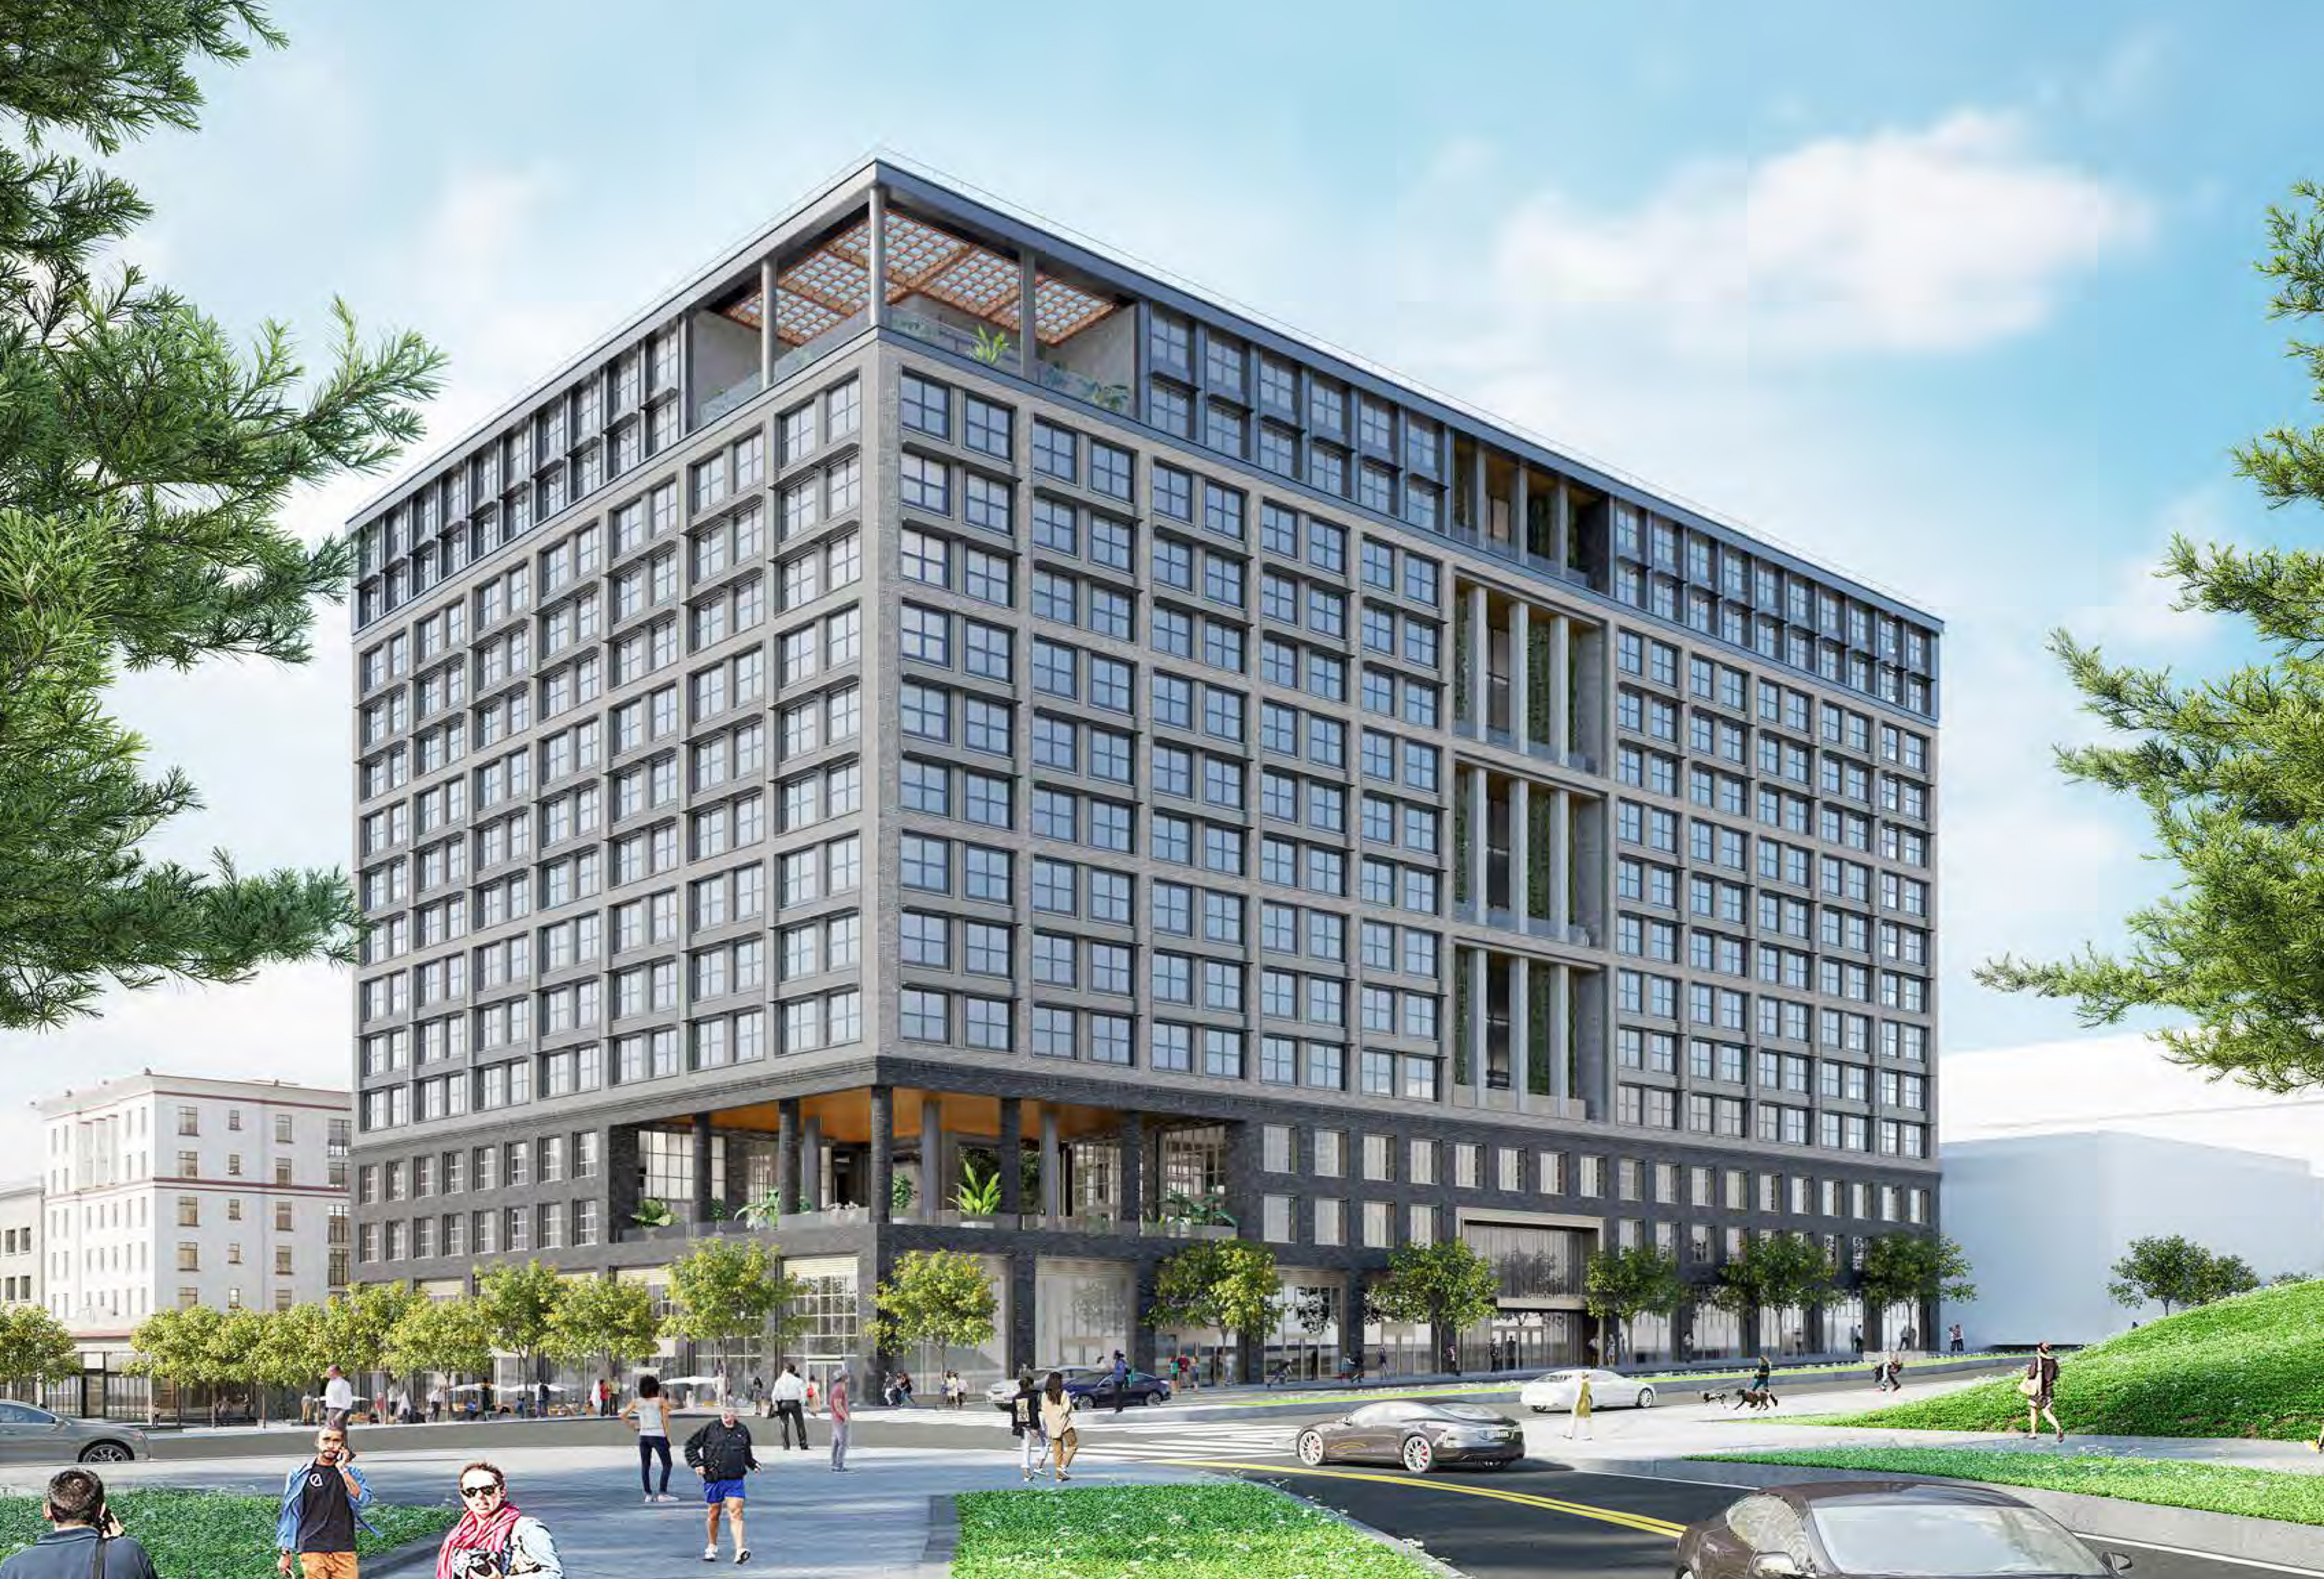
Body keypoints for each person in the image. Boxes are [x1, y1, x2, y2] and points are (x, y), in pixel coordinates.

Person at [0, 1469, 159, 1579]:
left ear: (47, 1511)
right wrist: (117, 1544)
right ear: (102, 1511)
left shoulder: (14, 1568)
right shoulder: (127, 1553)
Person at [275, 1425, 375, 1578]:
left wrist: (343, 1469)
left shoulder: (353, 1474)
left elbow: (363, 1500)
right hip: (312, 1548)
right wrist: (285, 1553)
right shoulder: (299, 1475)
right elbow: (290, 1514)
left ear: (343, 1446)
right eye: (326, 1440)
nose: (331, 1445)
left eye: (336, 1441)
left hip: (344, 1548)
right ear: (317, 1442)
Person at [436, 1461, 561, 1578]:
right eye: (471, 1491)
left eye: (488, 1490)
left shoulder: (528, 1529)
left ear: (502, 1491)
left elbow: (554, 1574)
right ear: (463, 1495)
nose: (480, 1497)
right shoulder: (458, 1536)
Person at [684, 1401, 759, 1565]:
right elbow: (690, 1446)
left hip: (735, 1479)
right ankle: (712, 1546)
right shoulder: (710, 1429)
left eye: (729, 1413)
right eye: (723, 1413)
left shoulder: (742, 1431)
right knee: (714, 1513)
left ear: (736, 1415)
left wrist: (753, 1464)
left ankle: (740, 1550)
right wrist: (697, 1464)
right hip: (714, 1478)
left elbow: (746, 1453)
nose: (726, 1416)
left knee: (736, 1511)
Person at [623, 1374, 677, 1504]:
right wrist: (669, 1438)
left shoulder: (637, 1402)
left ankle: (648, 1495)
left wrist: (634, 1426)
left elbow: (623, 1415)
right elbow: (666, 1420)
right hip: (658, 1435)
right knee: (667, 1464)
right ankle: (663, 1493)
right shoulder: (661, 1401)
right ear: (655, 1387)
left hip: (644, 1436)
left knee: (645, 1466)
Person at [1038, 1371, 1077, 1481]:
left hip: (1052, 1426)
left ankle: (1059, 1477)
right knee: (1073, 1445)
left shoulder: (1045, 1395)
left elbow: (1044, 1410)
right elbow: (1067, 1409)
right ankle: (1063, 1467)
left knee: (1057, 1451)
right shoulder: (1063, 1393)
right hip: (1064, 1424)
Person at [2023, 1340, 2065, 1444]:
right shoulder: (2053, 1361)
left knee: (2033, 1410)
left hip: (2037, 1391)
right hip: (2049, 1390)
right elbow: (2056, 1376)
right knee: (2047, 1412)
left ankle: (2033, 1433)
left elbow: (2031, 1375)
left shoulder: (2037, 1360)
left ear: (2038, 1349)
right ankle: (2058, 1428)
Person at [1008, 1371, 1045, 1483]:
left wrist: (1016, 1426)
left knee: (1025, 1448)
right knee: (1045, 1443)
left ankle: (1026, 1472)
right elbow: (1034, 1412)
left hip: (1022, 1425)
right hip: (1031, 1424)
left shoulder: (1016, 1398)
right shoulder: (1033, 1396)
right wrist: (1035, 1427)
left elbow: (1013, 1412)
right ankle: (1038, 1466)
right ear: (1030, 1385)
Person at [770, 1362, 809, 1450]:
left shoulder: (780, 1381)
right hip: (795, 1403)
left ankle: (786, 1446)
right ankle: (803, 1444)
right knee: (800, 1424)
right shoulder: (798, 1381)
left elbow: (774, 1394)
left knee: (784, 1424)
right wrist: (802, 1401)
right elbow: (804, 1393)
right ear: (794, 1371)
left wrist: (775, 1404)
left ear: (786, 1370)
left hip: (783, 1403)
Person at [827, 1372, 852, 1472]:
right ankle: (839, 1464)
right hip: (839, 1419)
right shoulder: (838, 1389)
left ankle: (834, 1463)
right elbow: (838, 1405)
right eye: (846, 1377)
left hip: (836, 1418)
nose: (848, 1379)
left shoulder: (837, 1388)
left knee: (836, 1442)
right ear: (843, 1378)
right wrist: (845, 1417)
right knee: (843, 1442)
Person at [322, 1365, 356, 1431]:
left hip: (340, 1411)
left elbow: (348, 1399)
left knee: (339, 1434)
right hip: (331, 1410)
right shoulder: (330, 1383)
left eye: (330, 1371)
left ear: (336, 1372)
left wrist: (341, 1412)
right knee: (330, 1434)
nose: (327, 1373)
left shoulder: (344, 1384)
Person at [1565, 1372, 1593, 1440]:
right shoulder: (1587, 1384)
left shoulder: (1581, 1385)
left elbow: (1579, 1396)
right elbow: (1588, 1395)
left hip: (1581, 1404)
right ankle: (1586, 1435)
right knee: (1586, 1420)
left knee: (1575, 1419)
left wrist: (1575, 1406)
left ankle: (1571, 1435)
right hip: (1586, 1403)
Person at [1108, 1350, 1130, 1415]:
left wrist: (1114, 1371)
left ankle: (1119, 1409)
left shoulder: (1120, 1362)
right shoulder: (1119, 1362)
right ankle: (1119, 1408)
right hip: (1118, 1380)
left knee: (1118, 1395)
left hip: (1119, 1381)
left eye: (1114, 1355)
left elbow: (1122, 1371)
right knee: (1118, 1395)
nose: (1113, 1356)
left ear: (1117, 1356)